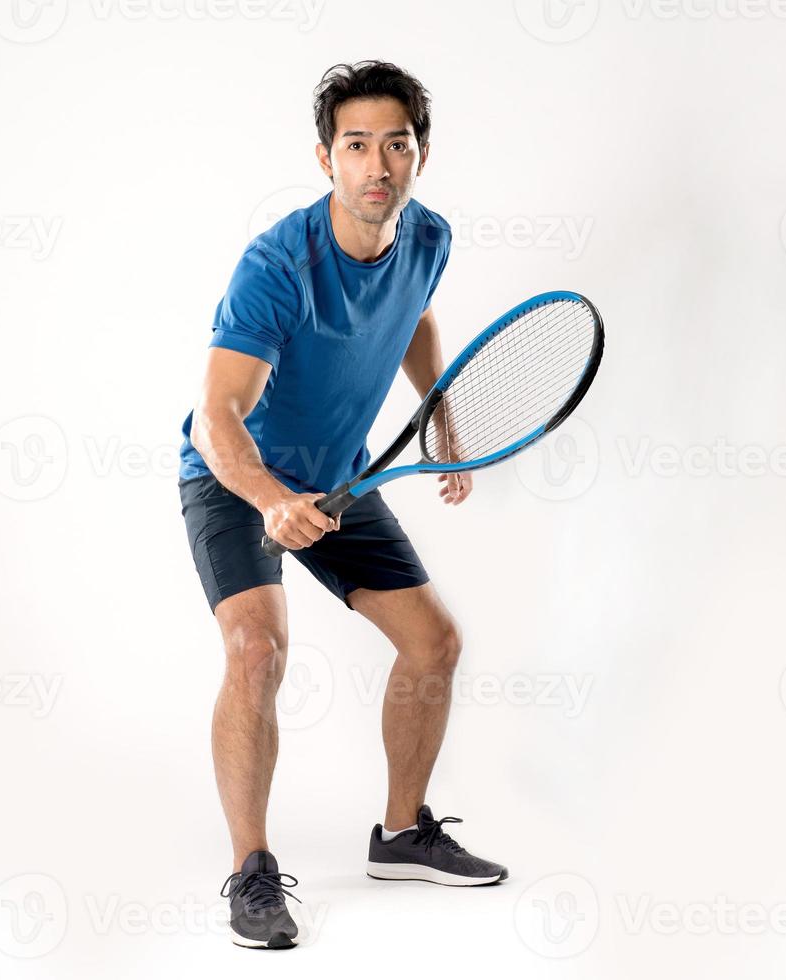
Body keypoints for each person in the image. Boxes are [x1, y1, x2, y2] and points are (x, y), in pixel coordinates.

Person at [177, 61, 508, 950]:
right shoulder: (278, 265)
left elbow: (419, 318)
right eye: (356, 145)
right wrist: (272, 500)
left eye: (394, 145)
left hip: (340, 476)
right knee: (257, 650)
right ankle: (251, 874)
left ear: (419, 156)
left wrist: (441, 415)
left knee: (435, 642)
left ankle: (401, 833)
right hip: (233, 475)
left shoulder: (427, 236)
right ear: (325, 157)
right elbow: (218, 415)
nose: (376, 165)